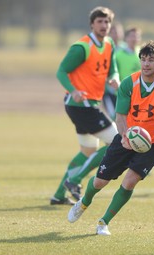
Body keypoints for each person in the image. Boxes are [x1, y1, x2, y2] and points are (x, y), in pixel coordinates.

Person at [67, 40, 154, 235]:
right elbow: (120, 116)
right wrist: (124, 136)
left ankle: (103, 222)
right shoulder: (129, 83)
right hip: (127, 137)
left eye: (151, 60)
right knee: (99, 182)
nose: (146, 64)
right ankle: (84, 202)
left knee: (130, 181)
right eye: (143, 59)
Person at [50, 6, 120, 205]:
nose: (104, 25)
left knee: (88, 151)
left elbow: (112, 70)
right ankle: (74, 180)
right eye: (100, 22)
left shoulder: (109, 44)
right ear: (92, 24)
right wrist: (73, 90)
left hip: (90, 105)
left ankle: (58, 195)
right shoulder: (81, 47)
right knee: (116, 142)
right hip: (80, 105)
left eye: (107, 22)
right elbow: (61, 71)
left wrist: (114, 79)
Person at [103, 27, 142, 120]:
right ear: (126, 38)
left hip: (137, 95)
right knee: (117, 121)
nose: (134, 39)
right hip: (118, 95)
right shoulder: (118, 55)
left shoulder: (142, 54)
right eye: (132, 36)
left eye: (137, 36)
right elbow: (110, 74)